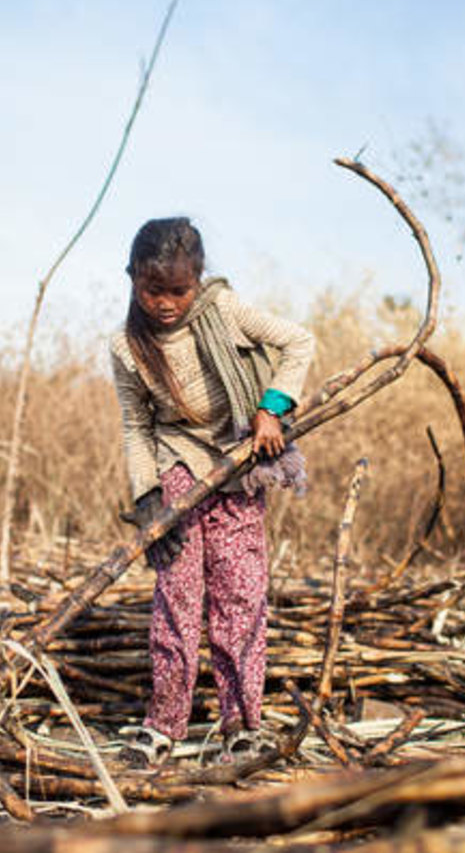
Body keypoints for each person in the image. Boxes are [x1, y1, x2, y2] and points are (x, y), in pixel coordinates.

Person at [111, 217, 314, 763]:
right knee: (176, 599)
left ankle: (242, 724)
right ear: (132, 278)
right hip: (177, 468)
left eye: (179, 290)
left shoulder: (226, 312)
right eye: (153, 289)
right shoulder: (127, 347)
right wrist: (148, 500)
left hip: (239, 463)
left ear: (198, 280)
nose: (166, 302)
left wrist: (272, 409)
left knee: (240, 596)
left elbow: (300, 341)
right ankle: (163, 726)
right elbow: (138, 428)